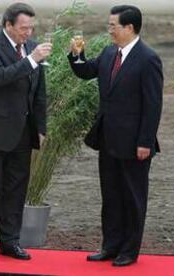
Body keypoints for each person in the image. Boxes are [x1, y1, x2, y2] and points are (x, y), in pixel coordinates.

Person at [68, 5, 163, 266]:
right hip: (108, 139)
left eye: (113, 26)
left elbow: (153, 105)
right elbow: (86, 71)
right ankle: (110, 246)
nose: (109, 30)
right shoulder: (110, 52)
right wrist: (77, 56)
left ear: (130, 28)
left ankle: (129, 252)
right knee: (110, 196)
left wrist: (145, 141)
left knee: (132, 197)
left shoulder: (148, 58)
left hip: (135, 144)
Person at [0, 2, 52, 262]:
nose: (28, 33)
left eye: (31, 28)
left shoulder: (30, 47)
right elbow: (1, 77)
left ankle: (10, 241)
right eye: (23, 28)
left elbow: (38, 91)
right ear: (8, 25)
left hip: (23, 132)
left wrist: (40, 127)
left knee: (16, 189)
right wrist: (32, 59)